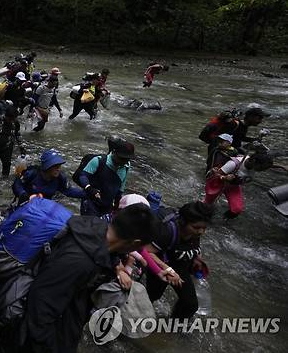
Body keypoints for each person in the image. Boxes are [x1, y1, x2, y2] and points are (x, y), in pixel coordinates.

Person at [21, 205, 157, 353]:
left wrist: (117, 268)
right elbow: (40, 309)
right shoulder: (80, 261)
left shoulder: (93, 228)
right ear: (135, 243)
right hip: (44, 337)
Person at [144, 201, 213, 319]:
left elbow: (194, 244)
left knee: (190, 305)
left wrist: (197, 258)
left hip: (181, 267)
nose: (201, 231)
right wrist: (168, 269)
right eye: (196, 227)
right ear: (183, 222)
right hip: (161, 268)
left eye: (204, 228)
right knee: (152, 297)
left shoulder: (195, 233)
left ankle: (171, 329)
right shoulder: (167, 231)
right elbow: (146, 252)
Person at [204, 152, 274, 219]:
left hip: (233, 186)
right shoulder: (234, 164)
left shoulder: (254, 165)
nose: (263, 170)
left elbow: (268, 165)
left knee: (237, 209)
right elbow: (216, 174)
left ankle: (223, 222)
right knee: (206, 206)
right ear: (254, 161)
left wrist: (281, 167)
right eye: (262, 168)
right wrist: (224, 177)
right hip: (218, 183)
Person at [77, 141, 134, 217]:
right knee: (90, 227)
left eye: (126, 159)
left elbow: (121, 186)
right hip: (91, 202)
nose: (123, 162)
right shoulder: (98, 161)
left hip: (108, 205)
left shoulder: (126, 166)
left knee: (105, 227)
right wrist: (89, 188)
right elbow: (83, 176)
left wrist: (117, 203)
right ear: (114, 152)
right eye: (121, 158)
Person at [12, 149, 84, 205]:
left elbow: (69, 191)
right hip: (27, 204)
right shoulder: (32, 174)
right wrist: (22, 194)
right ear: (47, 167)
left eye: (59, 166)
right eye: (55, 166)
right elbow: (17, 184)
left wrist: (89, 193)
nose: (58, 169)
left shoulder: (60, 178)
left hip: (45, 207)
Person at [0, 106, 24, 177]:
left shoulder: (16, 123)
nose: (11, 121)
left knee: (7, 165)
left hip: (7, 147)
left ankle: (4, 181)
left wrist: (21, 146)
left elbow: (17, 134)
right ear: (5, 115)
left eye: (13, 119)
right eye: (10, 119)